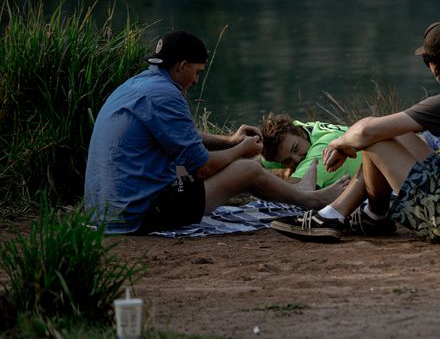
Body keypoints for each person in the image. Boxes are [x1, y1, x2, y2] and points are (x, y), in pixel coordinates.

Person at [271, 21, 440, 244]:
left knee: (372, 139)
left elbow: (366, 130)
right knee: (388, 133)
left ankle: (338, 216)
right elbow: (387, 128)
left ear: (436, 65)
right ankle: (371, 216)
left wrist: (339, 143)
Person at [84, 30, 346, 234]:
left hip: (107, 214)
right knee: (248, 170)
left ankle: (300, 191)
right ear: (182, 66)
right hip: (140, 215)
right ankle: (309, 201)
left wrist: (228, 141)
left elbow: (182, 135)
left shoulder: (138, 85)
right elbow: (204, 169)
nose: (197, 80)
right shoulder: (167, 96)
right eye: (197, 72)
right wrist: (240, 150)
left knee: (187, 166)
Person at [259, 114, 362, 188]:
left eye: (295, 148)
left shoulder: (323, 149)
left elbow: (286, 192)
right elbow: (259, 162)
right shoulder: (299, 129)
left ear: (300, 133)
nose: (296, 159)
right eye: (287, 161)